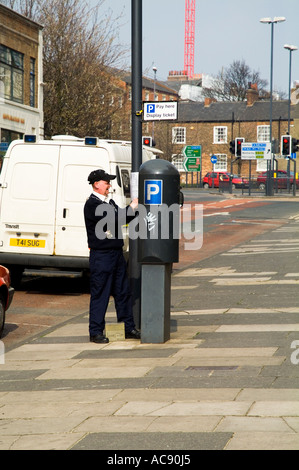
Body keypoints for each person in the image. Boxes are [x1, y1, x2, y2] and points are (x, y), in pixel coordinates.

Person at [84, 169, 140, 343]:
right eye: (106, 182)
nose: (109, 185)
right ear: (96, 184)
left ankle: (127, 327)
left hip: (116, 254)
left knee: (123, 292)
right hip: (102, 256)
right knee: (101, 294)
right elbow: (115, 219)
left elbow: (122, 218)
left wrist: (136, 211)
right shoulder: (93, 205)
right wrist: (131, 208)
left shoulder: (109, 203)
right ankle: (95, 332)